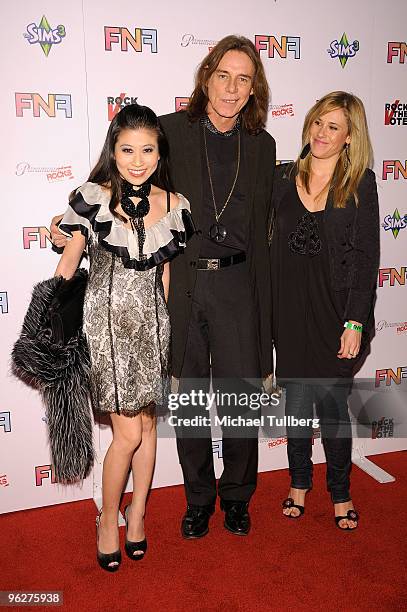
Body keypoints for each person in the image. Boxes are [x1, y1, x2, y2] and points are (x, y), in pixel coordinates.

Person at [52, 35, 276, 539]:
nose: (231, 88)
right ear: (206, 77)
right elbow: (127, 174)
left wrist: (265, 319)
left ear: (253, 87)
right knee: (190, 398)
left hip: (240, 285)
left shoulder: (263, 146)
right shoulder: (172, 130)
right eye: (223, 75)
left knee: (240, 404)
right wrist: (71, 220)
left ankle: (237, 497)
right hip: (184, 286)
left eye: (244, 79)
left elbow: (264, 234)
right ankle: (198, 499)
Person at [54, 103, 193, 571]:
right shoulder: (93, 197)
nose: (138, 159)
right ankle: (108, 519)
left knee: (149, 426)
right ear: (113, 150)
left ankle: (138, 515)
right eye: (128, 149)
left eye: (147, 149)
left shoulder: (173, 204)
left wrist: (164, 331)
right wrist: (53, 328)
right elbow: (68, 267)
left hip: (152, 327)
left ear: (159, 151)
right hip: (106, 330)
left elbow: (165, 276)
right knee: (128, 433)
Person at [270, 91, 380, 529]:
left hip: (336, 313)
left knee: (332, 407)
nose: (321, 132)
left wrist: (355, 321)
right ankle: (299, 482)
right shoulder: (281, 177)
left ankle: (340, 491)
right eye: (318, 122)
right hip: (289, 311)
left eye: (333, 126)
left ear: (350, 137)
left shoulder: (361, 183)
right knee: (296, 403)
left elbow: (366, 258)